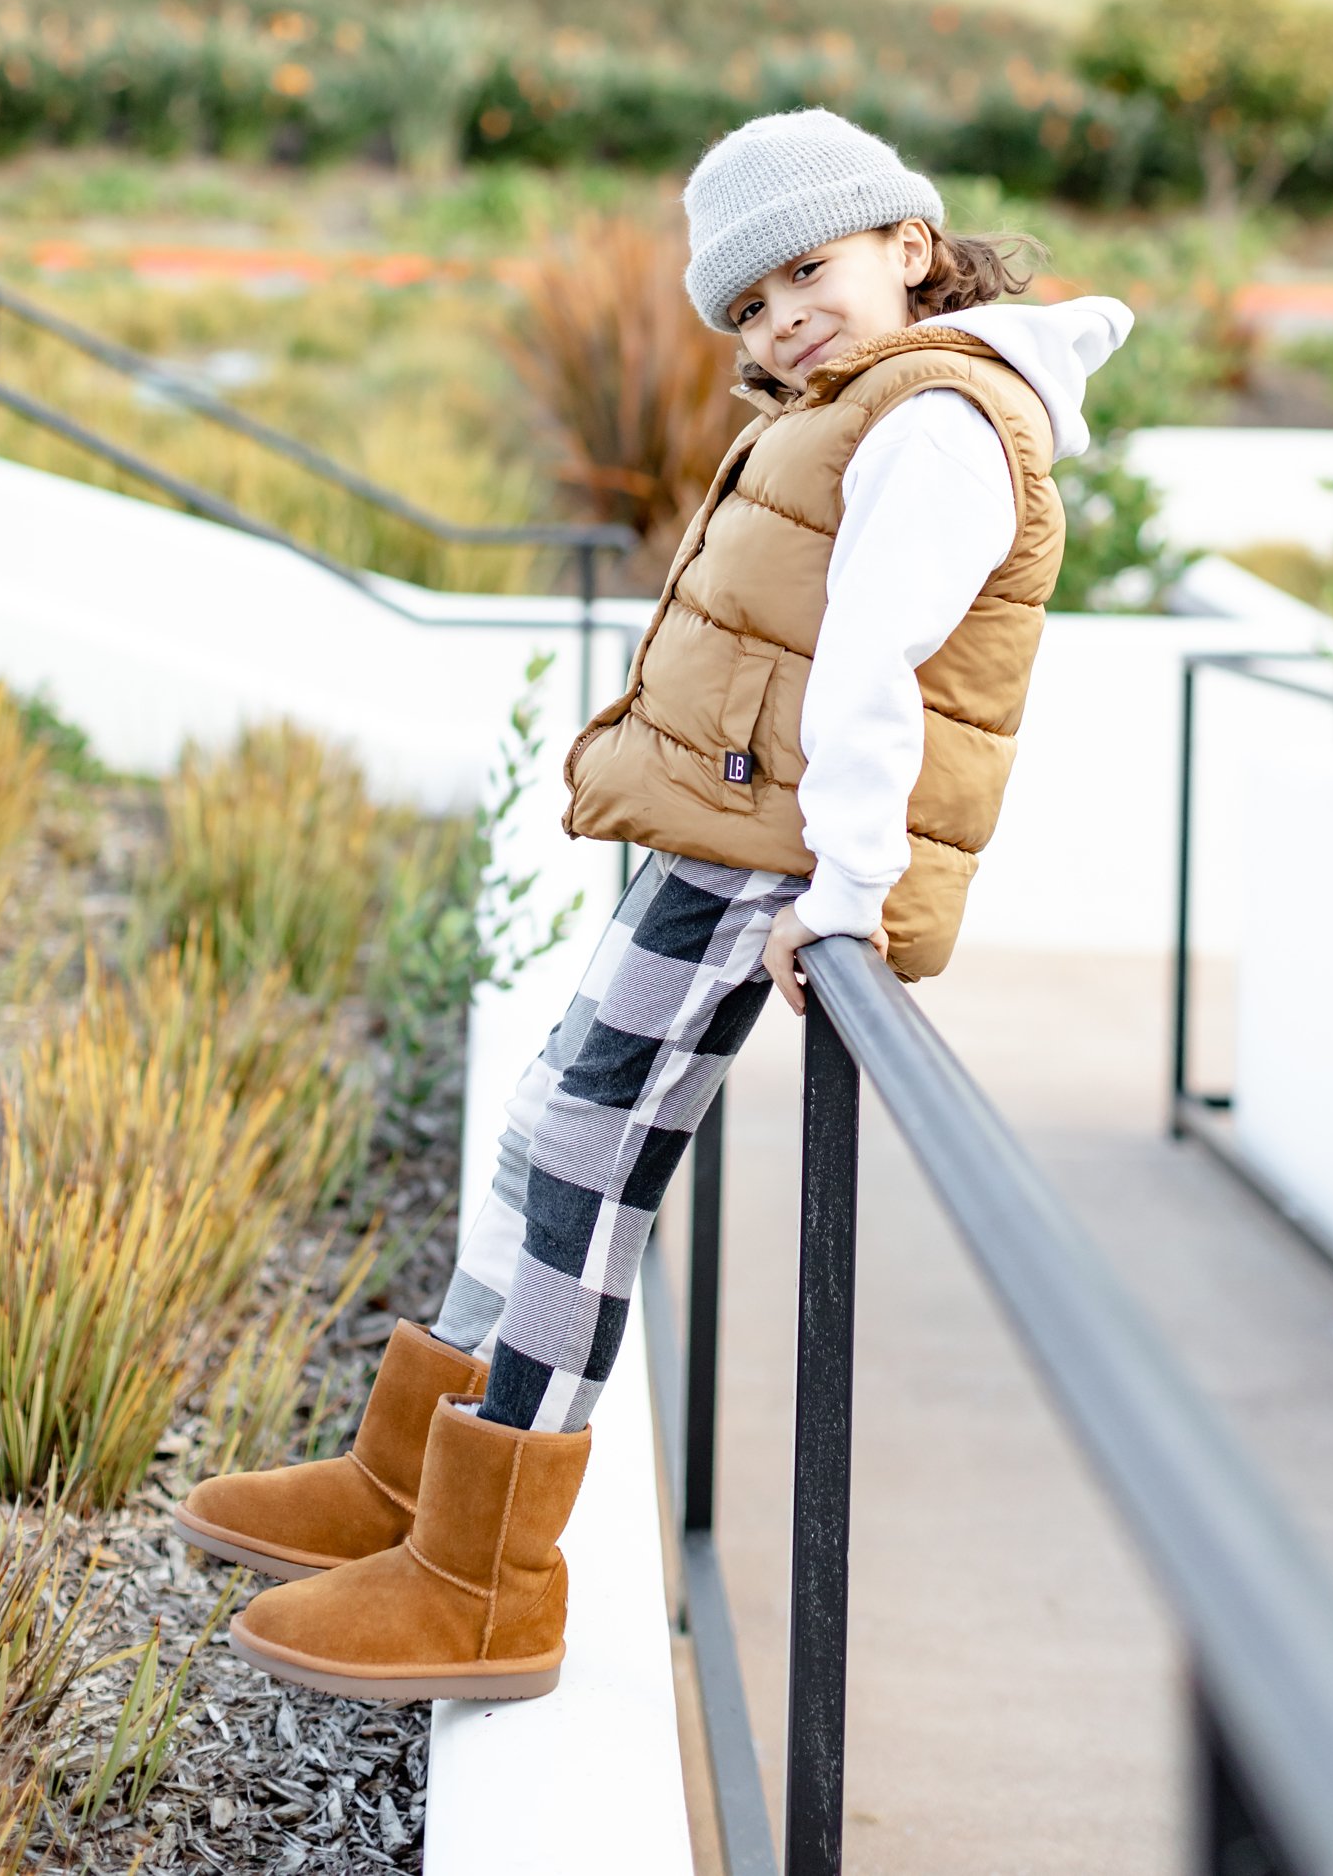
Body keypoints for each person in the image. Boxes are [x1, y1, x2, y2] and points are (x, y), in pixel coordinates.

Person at [174, 107, 1132, 1703]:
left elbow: (875, 675)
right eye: (748, 304)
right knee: (550, 1126)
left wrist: (848, 895)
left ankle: (486, 1577)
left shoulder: (944, 421)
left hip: (765, 864)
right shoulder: (871, 399)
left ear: (911, 241)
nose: (781, 319)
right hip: (724, 841)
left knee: (586, 1171)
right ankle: (414, 1481)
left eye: (809, 270)